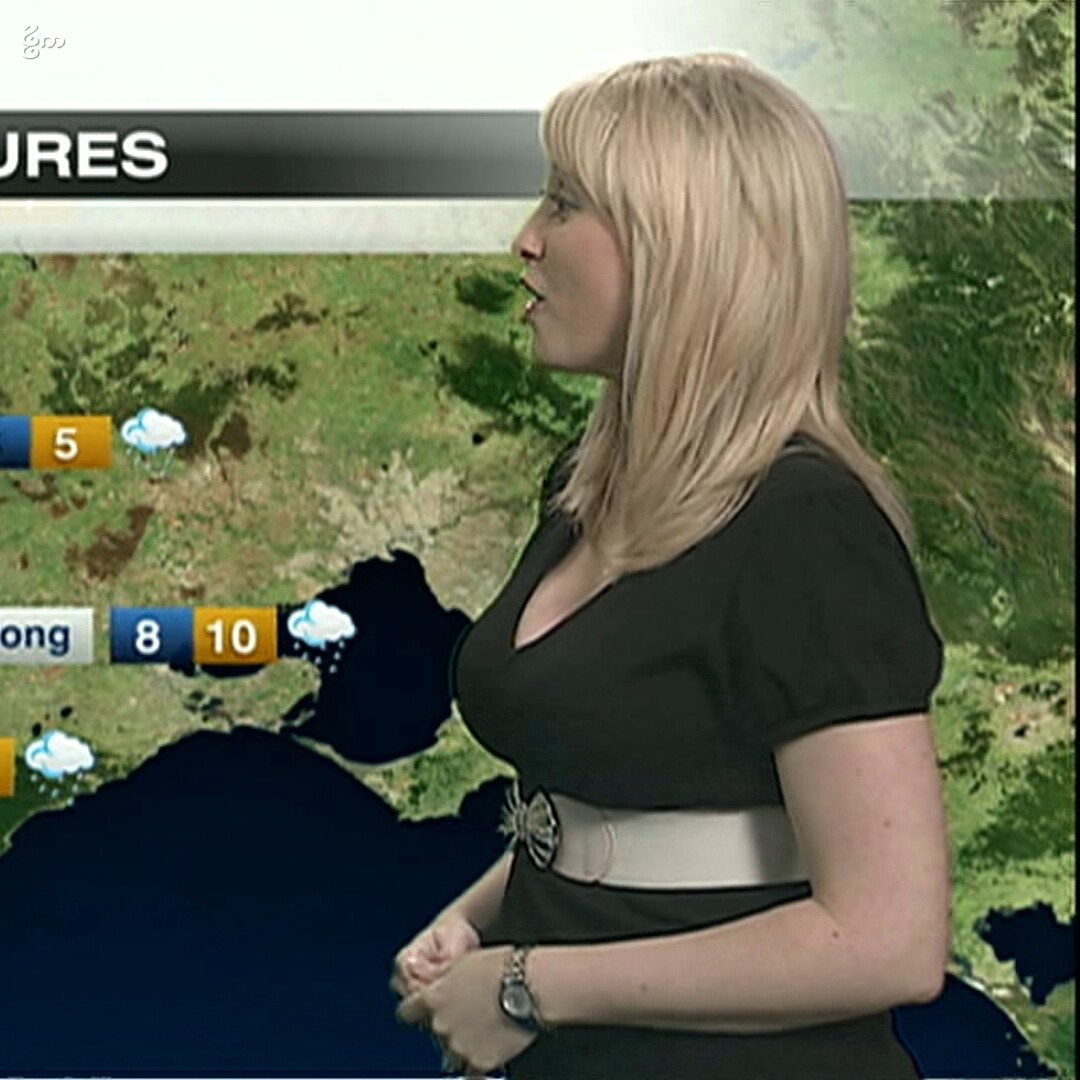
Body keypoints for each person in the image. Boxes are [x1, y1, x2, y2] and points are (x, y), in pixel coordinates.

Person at [391, 50, 951, 1080]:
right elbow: (638, 788)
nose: (526, 239)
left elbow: (889, 938)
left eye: (566, 204)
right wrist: (480, 919)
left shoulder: (804, 529)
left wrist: (528, 987)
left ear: (682, 245)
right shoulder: (589, 489)